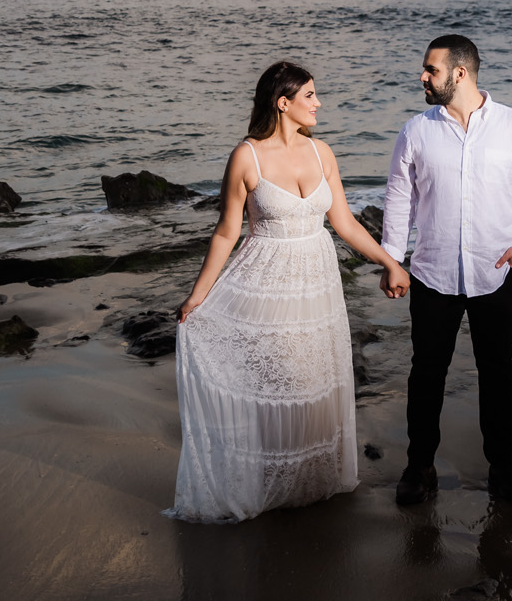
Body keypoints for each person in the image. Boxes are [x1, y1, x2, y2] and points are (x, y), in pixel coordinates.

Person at [168, 60, 410, 523]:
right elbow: (226, 233)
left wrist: (389, 261)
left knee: (316, 385)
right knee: (286, 385)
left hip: (318, 287)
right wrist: (198, 297)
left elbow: (343, 223)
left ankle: (308, 486)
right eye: (310, 96)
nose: (318, 103)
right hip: (266, 286)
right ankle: (271, 487)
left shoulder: (323, 153)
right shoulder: (247, 157)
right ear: (284, 103)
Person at [382, 34, 512, 507]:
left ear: (459, 73)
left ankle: (504, 468)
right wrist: (392, 260)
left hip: (497, 271)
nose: (423, 77)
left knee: (498, 371)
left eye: (430, 70)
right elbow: (399, 198)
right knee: (426, 372)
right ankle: (419, 468)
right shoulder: (416, 131)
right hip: (432, 272)